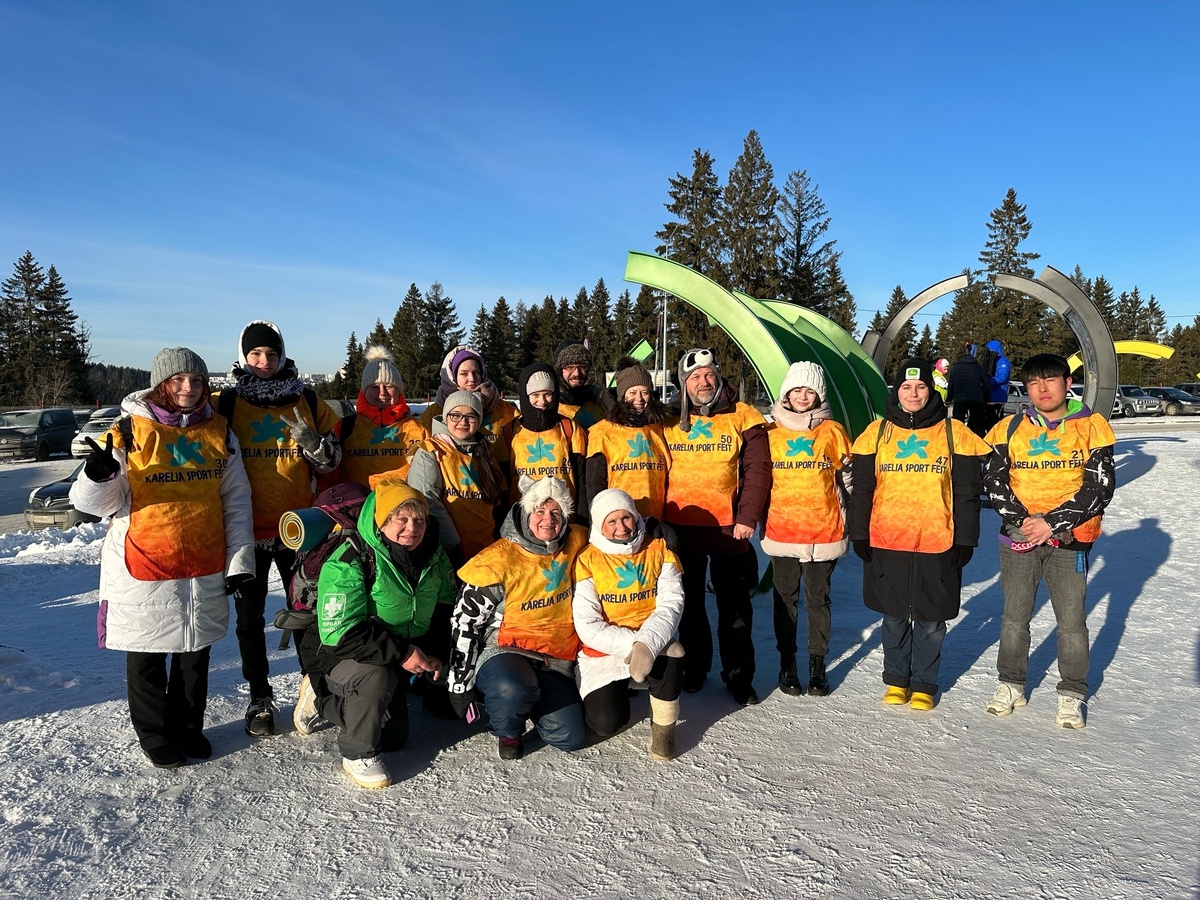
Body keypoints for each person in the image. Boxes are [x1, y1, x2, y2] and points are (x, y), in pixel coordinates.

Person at [70, 348, 255, 768]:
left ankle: (189, 728)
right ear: (162, 384)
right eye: (178, 381)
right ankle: (155, 735)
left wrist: (239, 561)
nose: (189, 389)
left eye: (196, 381)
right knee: (148, 654)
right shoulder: (130, 430)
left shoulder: (219, 432)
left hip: (203, 561)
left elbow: (236, 502)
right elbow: (103, 504)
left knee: (195, 651)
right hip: (144, 562)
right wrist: (98, 475)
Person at [213, 320, 342, 737]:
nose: (264, 362)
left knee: (307, 613)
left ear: (282, 355)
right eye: (255, 355)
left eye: (271, 354)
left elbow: (332, 462)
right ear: (243, 356)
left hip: (298, 529)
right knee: (249, 620)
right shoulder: (227, 402)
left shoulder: (305, 398)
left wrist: (315, 445)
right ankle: (260, 697)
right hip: (246, 531)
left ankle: (314, 689)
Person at [847, 359, 991, 710]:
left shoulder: (954, 432)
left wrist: (966, 539)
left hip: (936, 540)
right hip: (887, 539)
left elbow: (968, 491)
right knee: (894, 616)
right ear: (896, 391)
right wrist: (859, 533)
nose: (913, 394)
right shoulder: (877, 433)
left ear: (931, 391)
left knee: (930, 619)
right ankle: (896, 679)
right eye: (906, 387)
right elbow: (863, 488)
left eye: (921, 387)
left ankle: (924, 683)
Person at [982, 353, 1116, 729]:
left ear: (1067, 383)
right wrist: (1025, 521)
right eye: (1034, 383)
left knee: (1072, 622)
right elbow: (994, 482)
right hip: (1019, 536)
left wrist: (1053, 523)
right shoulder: (1010, 429)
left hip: (1070, 540)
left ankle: (1071, 694)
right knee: (1014, 617)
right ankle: (1011, 684)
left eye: (1050, 380)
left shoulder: (1092, 426)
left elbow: (1100, 488)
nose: (1042, 389)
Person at [295, 478, 455, 788]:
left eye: (419, 519)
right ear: (381, 521)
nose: (412, 527)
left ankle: (362, 711)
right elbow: (340, 633)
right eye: (401, 518)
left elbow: (444, 609)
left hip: (390, 651)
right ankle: (354, 748)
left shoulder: (434, 557)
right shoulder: (351, 559)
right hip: (338, 652)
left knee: (393, 736)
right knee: (375, 680)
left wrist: (433, 655)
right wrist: (404, 652)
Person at [446, 477, 589, 760]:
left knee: (570, 736)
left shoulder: (576, 540)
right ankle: (507, 728)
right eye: (539, 511)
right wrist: (459, 685)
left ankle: (528, 700)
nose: (548, 520)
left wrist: (649, 531)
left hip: (554, 658)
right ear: (525, 512)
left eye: (556, 513)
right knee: (512, 688)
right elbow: (465, 623)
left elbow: (615, 533)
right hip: (504, 652)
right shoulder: (497, 560)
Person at [663, 347, 770, 704]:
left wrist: (747, 518)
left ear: (719, 377)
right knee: (689, 605)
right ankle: (695, 667)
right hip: (681, 526)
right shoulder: (667, 418)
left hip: (730, 528)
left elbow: (758, 471)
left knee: (735, 606)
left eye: (709, 374)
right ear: (683, 383)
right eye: (695, 376)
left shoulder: (744, 415)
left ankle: (738, 675)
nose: (703, 382)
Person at [762, 361, 852, 698]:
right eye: (797, 389)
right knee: (785, 599)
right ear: (786, 393)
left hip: (823, 529)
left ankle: (818, 665)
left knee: (818, 599)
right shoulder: (769, 431)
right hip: (783, 529)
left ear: (819, 395)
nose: (803, 395)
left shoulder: (832, 431)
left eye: (810, 390)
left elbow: (848, 479)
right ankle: (788, 663)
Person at [573, 490, 685, 760]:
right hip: (606, 649)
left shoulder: (658, 549)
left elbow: (671, 603)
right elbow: (587, 624)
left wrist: (647, 643)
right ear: (600, 524)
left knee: (672, 653)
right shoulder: (587, 559)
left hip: (654, 641)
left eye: (626, 518)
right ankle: (620, 690)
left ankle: (663, 730)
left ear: (636, 518)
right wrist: (634, 646)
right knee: (606, 723)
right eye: (611, 521)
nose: (621, 527)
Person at [407, 389, 508, 565]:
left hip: (487, 552)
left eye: (471, 416)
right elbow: (428, 502)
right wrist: (452, 548)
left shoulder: (485, 452)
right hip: (448, 554)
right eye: (455, 415)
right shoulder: (430, 451)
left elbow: (498, 501)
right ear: (446, 417)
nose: (463, 421)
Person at [583, 357, 671, 520]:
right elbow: (595, 482)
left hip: (656, 518)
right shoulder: (602, 431)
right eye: (632, 392)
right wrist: (599, 518)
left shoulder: (660, 428)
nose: (639, 398)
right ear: (622, 395)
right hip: (618, 522)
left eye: (644, 392)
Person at [332, 345, 430, 487]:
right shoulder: (345, 427)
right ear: (364, 391)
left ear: (399, 391)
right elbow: (329, 476)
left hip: (404, 506)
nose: (382, 393)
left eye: (389, 386)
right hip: (357, 506)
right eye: (375, 387)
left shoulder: (420, 430)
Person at [419, 345, 518, 470]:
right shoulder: (433, 413)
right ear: (452, 377)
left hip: (499, 482)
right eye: (464, 374)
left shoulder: (505, 410)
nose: (471, 379)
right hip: (451, 483)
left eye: (476, 373)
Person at [506, 363, 588, 510]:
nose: (542, 401)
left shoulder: (570, 428)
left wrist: (582, 519)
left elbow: (582, 479)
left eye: (547, 394)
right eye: (535, 395)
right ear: (525, 396)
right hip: (521, 518)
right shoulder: (510, 431)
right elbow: (501, 482)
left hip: (564, 517)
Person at [554, 340, 606, 428]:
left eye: (582, 367)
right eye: (569, 367)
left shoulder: (601, 403)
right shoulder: (550, 407)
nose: (576, 373)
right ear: (560, 371)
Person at [947, 342, 990, 437]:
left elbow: (951, 385)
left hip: (960, 399)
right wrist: (984, 397)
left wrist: (949, 399)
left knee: (958, 424)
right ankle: (979, 445)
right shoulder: (978, 367)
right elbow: (987, 384)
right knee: (979, 425)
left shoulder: (955, 368)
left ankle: (958, 443)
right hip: (976, 399)